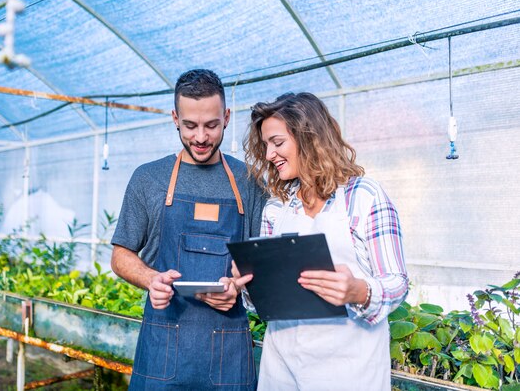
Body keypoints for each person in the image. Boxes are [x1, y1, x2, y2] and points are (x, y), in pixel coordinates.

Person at [111, 69, 265, 391]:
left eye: (211, 125)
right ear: (175, 118)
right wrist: (151, 279)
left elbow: (261, 261)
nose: (200, 137)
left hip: (228, 351)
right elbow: (121, 255)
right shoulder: (148, 179)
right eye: (190, 125)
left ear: (225, 117)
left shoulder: (249, 182)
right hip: (163, 347)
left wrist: (238, 286)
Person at [243, 92, 408, 391]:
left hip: (348, 369)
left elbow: (397, 282)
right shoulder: (277, 207)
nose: (269, 155)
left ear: (309, 138)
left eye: (277, 143)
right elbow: (264, 301)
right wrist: (250, 282)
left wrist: (359, 291)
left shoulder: (364, 197)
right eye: (266, 145)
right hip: (281, 366)